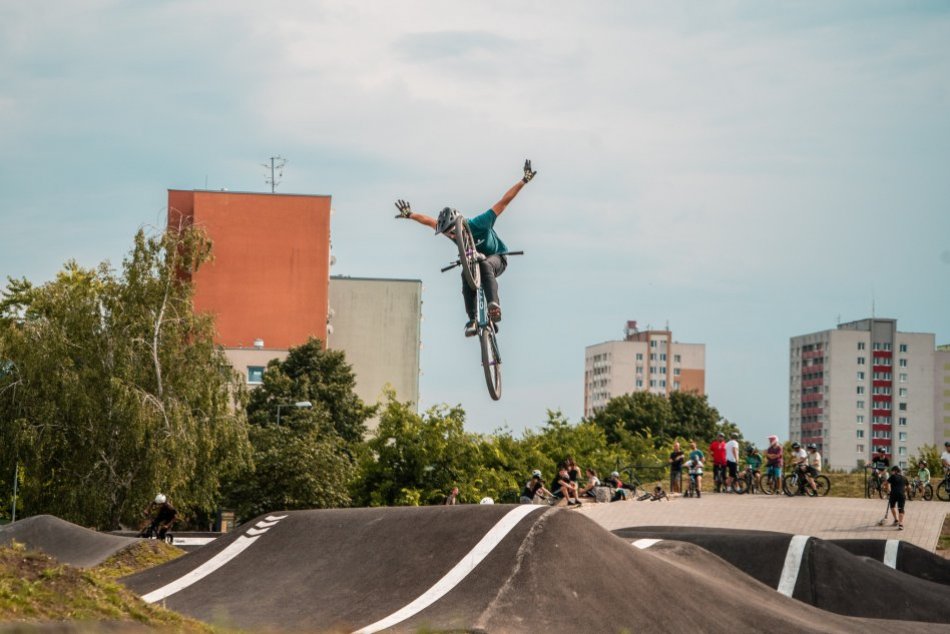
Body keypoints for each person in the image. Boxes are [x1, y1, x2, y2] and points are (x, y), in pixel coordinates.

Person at [394, 159, 537, 337]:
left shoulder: (480, 222)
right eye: (448, 233)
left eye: (453, 231)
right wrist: (410, 215)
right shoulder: (450, 233)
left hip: (497, 258)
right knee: (464, 274)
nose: (452, 236)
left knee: (485, 265)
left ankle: (494, 307)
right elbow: (429, 221)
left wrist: (524, 180)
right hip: (473, 263)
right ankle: (472, 319)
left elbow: (504, 201)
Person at [886, 466, 908, 530]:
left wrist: (888, 491)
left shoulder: (893, 476)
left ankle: (896, 520)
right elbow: (909, 487)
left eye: (892, 471)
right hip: (902, 495)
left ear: (895, 471)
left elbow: (886, 483)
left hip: (893, 494)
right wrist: (904, 491)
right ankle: (900, 524)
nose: (892, 472)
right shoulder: (904, 478)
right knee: (901, 509)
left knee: (892, 506)